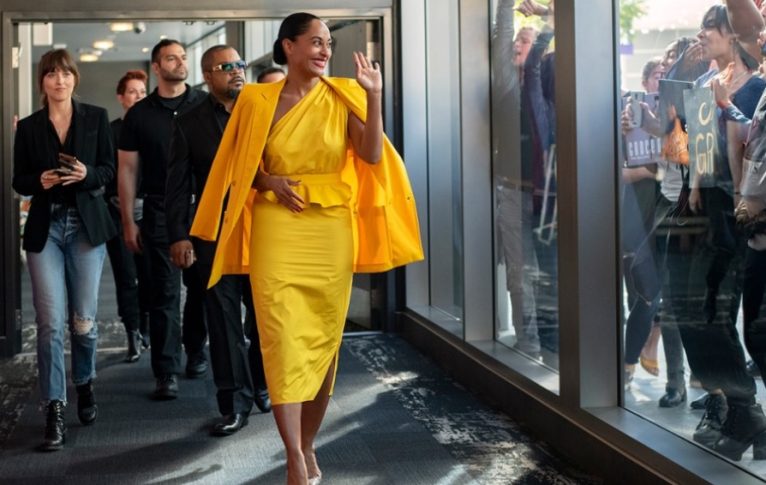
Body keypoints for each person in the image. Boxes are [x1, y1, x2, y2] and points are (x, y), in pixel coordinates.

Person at [191, 12, 423, 484]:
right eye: (315, 42)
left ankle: (308, 444)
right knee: (281, 341)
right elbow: (239, 168)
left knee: (321, 342)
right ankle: (294, 456)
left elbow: (372, 154)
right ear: (288, 47)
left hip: (330, 230)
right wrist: (269, 181)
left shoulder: (344, 95)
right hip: (277, 226)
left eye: (328, 44)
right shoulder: (255, 100)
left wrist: (374, 95)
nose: (324, 51)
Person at [13, 49, 116, 451]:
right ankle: (54, 407)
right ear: (42, 81)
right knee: (50, 323)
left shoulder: (96, 117)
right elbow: (20, 180)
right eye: (52, 74)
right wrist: (38, 181)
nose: (60, 80)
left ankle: (84, 381)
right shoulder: (29, 127)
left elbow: (107, 169)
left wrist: (87, 174)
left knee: (83, 320)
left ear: (75, 78)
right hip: (47, 229)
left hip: (86, 228)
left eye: (66, 73)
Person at [166, 44, 270, 437]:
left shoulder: (264, 110)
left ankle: (262, 384)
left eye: (240, 64)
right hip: (215, 236)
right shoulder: (189, 122)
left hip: (264, 231)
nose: (237, 70)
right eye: (226, 66)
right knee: (224, 323)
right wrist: (179, 236)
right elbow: (178, 185)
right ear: (208, 76)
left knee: (265, 318)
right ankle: (234, 404)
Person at [118, 39, 207, 399]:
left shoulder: (204, 104)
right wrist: (128, 221)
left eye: (183, 57)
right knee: (164, 293)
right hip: (158, 211)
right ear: (156, 67)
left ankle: (196, 350)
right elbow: (127, 170)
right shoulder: (139, 114)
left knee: (201, 288)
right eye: (172, 58)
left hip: (201, 209)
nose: (180, 63)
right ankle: (166, 369)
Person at [108, 70, 150, 363]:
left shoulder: (154, 128)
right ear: (121, 98)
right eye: (132, 92)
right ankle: (132, 332)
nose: (138, 97)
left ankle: (146, 329)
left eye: (142, 92)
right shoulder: (110, 131)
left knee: (149, 276)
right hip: (116, 212)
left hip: (150, 213)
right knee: (125, 276)